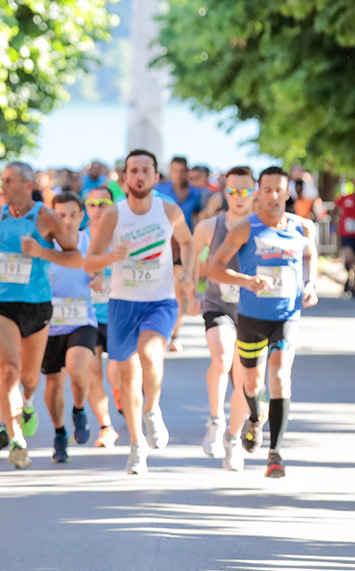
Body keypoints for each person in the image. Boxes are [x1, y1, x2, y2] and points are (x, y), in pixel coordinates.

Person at [85, 149, 193, 474]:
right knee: (128, 376)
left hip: (159, 301)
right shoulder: (114, 216)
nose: (140, 176)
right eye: (134, 171)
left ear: (156, 177)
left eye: (146, 170)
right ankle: (136, 445)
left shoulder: (169, 210)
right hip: (122, 304)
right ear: (125, 178)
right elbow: (91, 259)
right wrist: (109, 261)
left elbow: (188, 242)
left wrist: (186, 271)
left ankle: (153, 409)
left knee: (150, 353)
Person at [206, 167, 318, 478]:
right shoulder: (245, 228)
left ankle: (276, 453)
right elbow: (212, 269)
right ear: (259, 192)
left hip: (286, 315)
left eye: (278, 190)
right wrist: (246, 281)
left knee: (280, 377)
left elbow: (311, 255)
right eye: (266, 190)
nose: (272, 196)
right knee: (252, 384)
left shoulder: (302, 227)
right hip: (252, 317)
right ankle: (256, 417)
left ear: (287, 193)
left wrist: (310, 284)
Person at [0, 161, 80, 467]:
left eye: (9, 181)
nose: (3, 186)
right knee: (8, 370)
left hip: (36, 303)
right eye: (2, 180)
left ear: (27, 184)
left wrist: (41, 252)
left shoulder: (46, 217)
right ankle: (16, 439)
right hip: (1, 301)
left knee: (29, 378)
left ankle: (27, 404)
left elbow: (74, 256)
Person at [193, 165, 256, 463]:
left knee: (245, 378)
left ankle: (234, 437)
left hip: (254, 310)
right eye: (233, 191)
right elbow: (192, 260)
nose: (239, 197)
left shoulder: (262, 226)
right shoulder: (209, 227)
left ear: (255, 192)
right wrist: (190, 292)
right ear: (224, 192)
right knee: (221, 356)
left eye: (245, 191)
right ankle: (215, 422)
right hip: (218, 304)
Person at [40, 193, 106, 463]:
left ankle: (79, 408)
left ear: (82, 216)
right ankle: (59, 433)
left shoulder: (90, 243)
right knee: (54, 385)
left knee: (79, 370)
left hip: (82, 320)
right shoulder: (42, 246)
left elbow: (101, 270)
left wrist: (99, 278)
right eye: (61, 215)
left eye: (72, 215)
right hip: (49, 325)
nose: (66, 221)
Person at [81, 188, 121, 448]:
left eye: (102, 203)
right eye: (91, 204)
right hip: (88, 315)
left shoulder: (121, 238)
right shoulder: (78, 239)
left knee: (118, 374)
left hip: (118, 313)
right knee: (92, 372)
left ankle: (121, 394)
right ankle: (106, 426)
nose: (96, 209)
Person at [155, 154, 205, 229]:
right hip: (164, 235)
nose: (178, 175)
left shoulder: (196, 193)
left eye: (182, 171)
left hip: (187, 235)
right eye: (175, 171)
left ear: (187, 171)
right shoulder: (159, 190)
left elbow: (198, 214)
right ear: (170, 171)